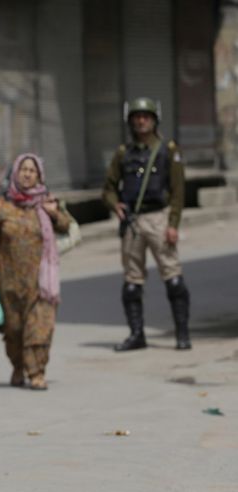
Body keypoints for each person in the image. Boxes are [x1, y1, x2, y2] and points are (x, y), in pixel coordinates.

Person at [102, 97, 191, 351]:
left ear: (154, 120)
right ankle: (137, 334)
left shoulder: (167, 150)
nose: (141, 121)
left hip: (158, 218)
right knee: (132, 283)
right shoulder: (123, 153)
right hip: (132, 221)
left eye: (146, 116)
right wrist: (114, 204)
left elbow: (178, 191)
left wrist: (173, 223)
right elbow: (108, 188)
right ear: (130, 121)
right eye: (137, 117)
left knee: (173, 278)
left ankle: (182, 334)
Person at [0, 154, 72, 391]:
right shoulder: (3, 206)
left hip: (41, 282)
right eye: (24, 170)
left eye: (33, 171)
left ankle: (37, 372)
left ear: (39, 176)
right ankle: (18, 366)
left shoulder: (47, 202)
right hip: (9, 281)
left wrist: (53, 213)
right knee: (13, 331)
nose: (28, 174)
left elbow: (66, 225)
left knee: (40, 328)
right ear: (16, 173)